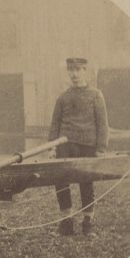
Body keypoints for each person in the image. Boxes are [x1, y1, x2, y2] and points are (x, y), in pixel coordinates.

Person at [48, 57, 109, 236]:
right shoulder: (62, 97)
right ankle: (66, 223)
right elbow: (55, 125)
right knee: (61, 182)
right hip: (65, 146)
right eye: (71, 70)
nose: (74, 74)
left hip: (87, 146)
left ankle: (87, 224)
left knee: (86, 183)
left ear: (85, 71)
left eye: (78, 69)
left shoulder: (96, 95)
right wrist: (52, 148)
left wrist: (101, 149)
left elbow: (102, 124)